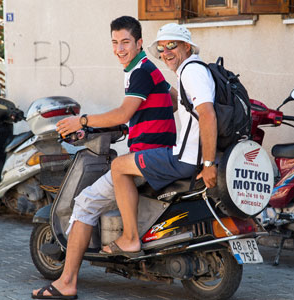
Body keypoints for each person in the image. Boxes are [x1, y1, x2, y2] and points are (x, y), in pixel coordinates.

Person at [32, 16, 176, 299]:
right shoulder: (149, 69)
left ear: (139, 43)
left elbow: (123, 112)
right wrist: (138, 121)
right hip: (159, 150)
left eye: (125, 42)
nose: (119, 48)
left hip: (147, 156)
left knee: (84, 203)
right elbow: (169, 99)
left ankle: (67, 282)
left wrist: (81, 122)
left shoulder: (140, 72)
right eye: (114, 42)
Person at [102, 23, 217, 255]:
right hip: (185, 154)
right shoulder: (193, 70)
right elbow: (175, 103)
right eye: (162, 49)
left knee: (118, 167)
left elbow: (207, 115)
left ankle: (130, 238)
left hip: (183, 158)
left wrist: (209, 164)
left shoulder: (190, 71)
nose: (166, 53)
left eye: (172, 46)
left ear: (186, 46)